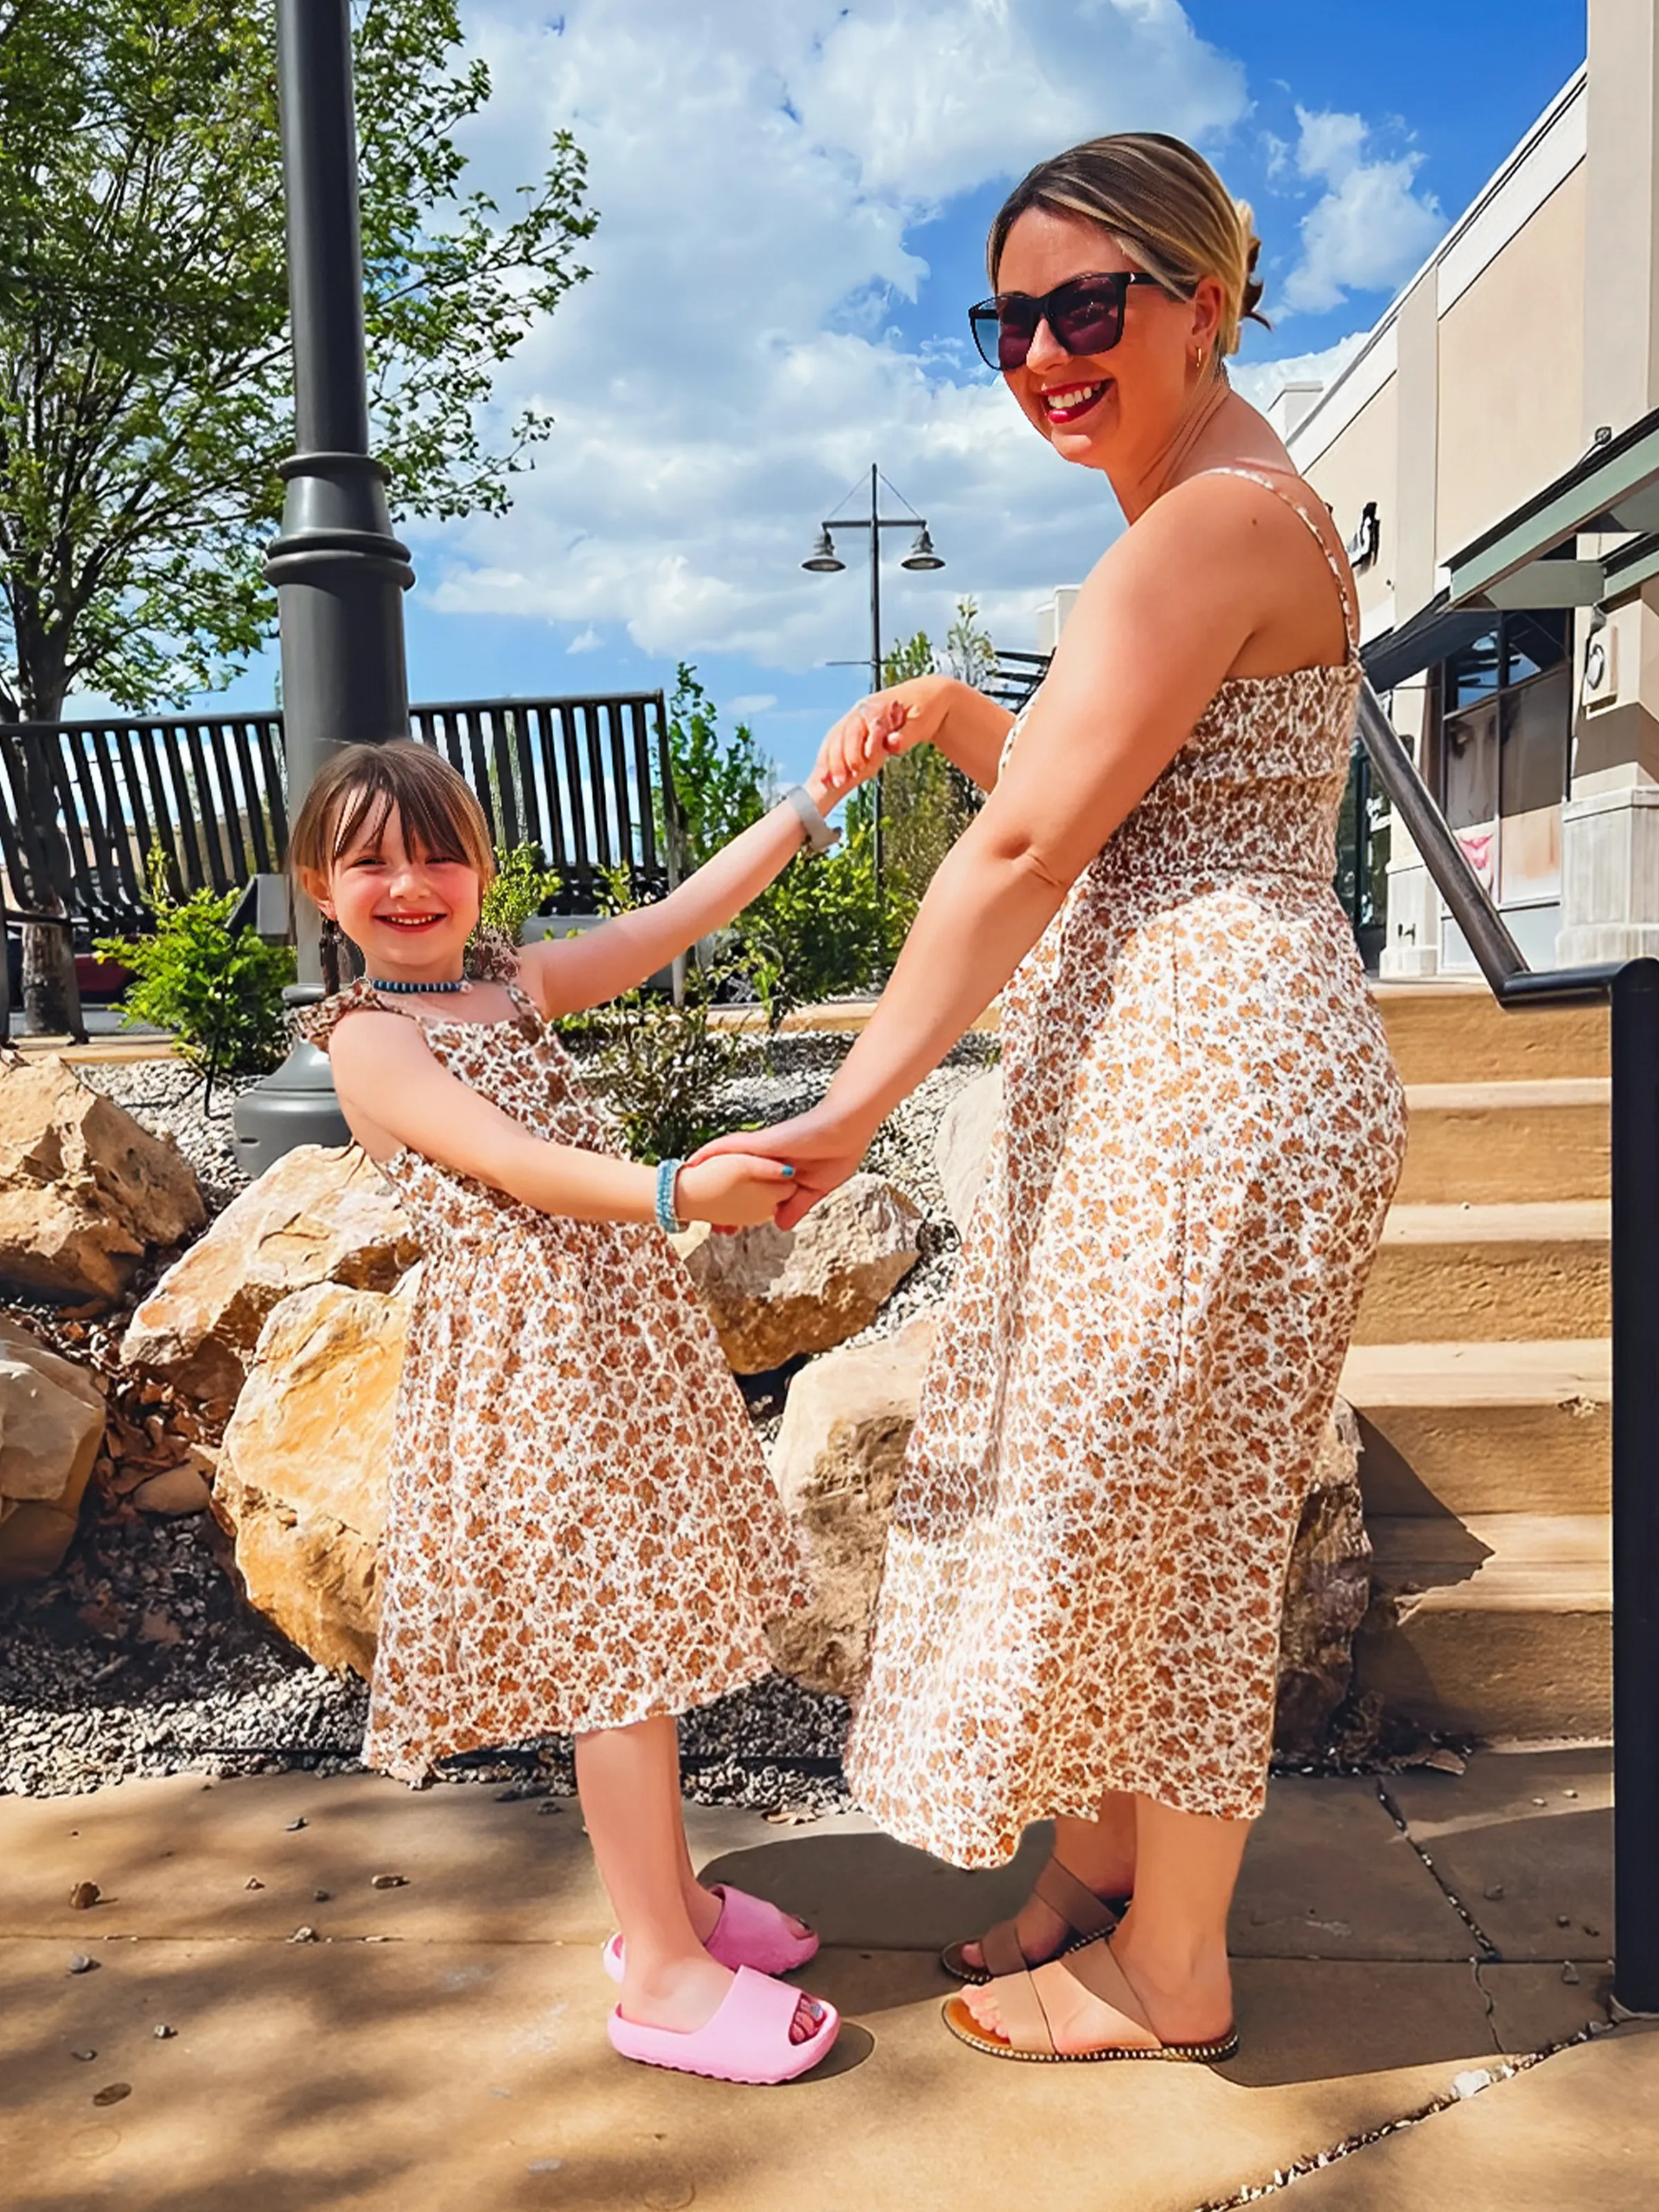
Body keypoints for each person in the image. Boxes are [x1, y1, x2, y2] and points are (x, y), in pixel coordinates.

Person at [695, 131, 1407, 2065]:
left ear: (1199, 300)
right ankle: (1100, 1877)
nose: (1039, 355)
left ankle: (1174, 1969)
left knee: (1169, 1513)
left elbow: (1024, 857)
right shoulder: (1219, 508)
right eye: (1007, 319)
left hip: (1215, 1073)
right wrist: (950, 711)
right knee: (1106, 1493)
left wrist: (844, 1111)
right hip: (1196, 1059)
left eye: (1082, 307)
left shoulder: (1203, 525)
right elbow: (1126, 792)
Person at [287, 737, 870, 2086]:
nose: (410, 882)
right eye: (371, 859)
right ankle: (661, 1971)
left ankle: (678, 1907)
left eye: (439, 852)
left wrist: (806, 805)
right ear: (323, 886)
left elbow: (677, 919)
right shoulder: (372, 1037)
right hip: (529, 1364)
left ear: (484, 871)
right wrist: (679, 1192)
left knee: (648, 1636)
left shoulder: (509, 982)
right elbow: (513, 1162)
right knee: (616, 1664)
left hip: (612, 1347)